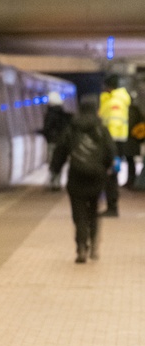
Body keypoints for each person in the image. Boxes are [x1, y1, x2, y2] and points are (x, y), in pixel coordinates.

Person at [50, 94, 115, 262]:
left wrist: (55, 169)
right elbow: (110, 152)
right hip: (97, 177)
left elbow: (61, 150)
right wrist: (106, 168)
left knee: (79, 214)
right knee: (94, 211)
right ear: (96, 109)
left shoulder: (72, 128)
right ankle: (94, 245)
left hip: (76, 176)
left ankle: (81, 247)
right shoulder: (101, 129)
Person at [99, 74, 131, 215]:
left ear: (109, 87)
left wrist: (108, 145)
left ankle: (112, 208)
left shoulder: (115, 102)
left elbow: (114, 123)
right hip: (115, 144)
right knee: (111, 175)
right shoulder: (114, 100)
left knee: (110, 176)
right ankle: (112, 206)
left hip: (113, 145)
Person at [41, 92, 72, 190]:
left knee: (52, 162)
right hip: (62, 142)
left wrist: (43, 133)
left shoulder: (50, 114)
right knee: (59, 162)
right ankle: (57, 183)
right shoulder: (64, 115)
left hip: (52, 142)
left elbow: (47, 128)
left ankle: (52, 182)